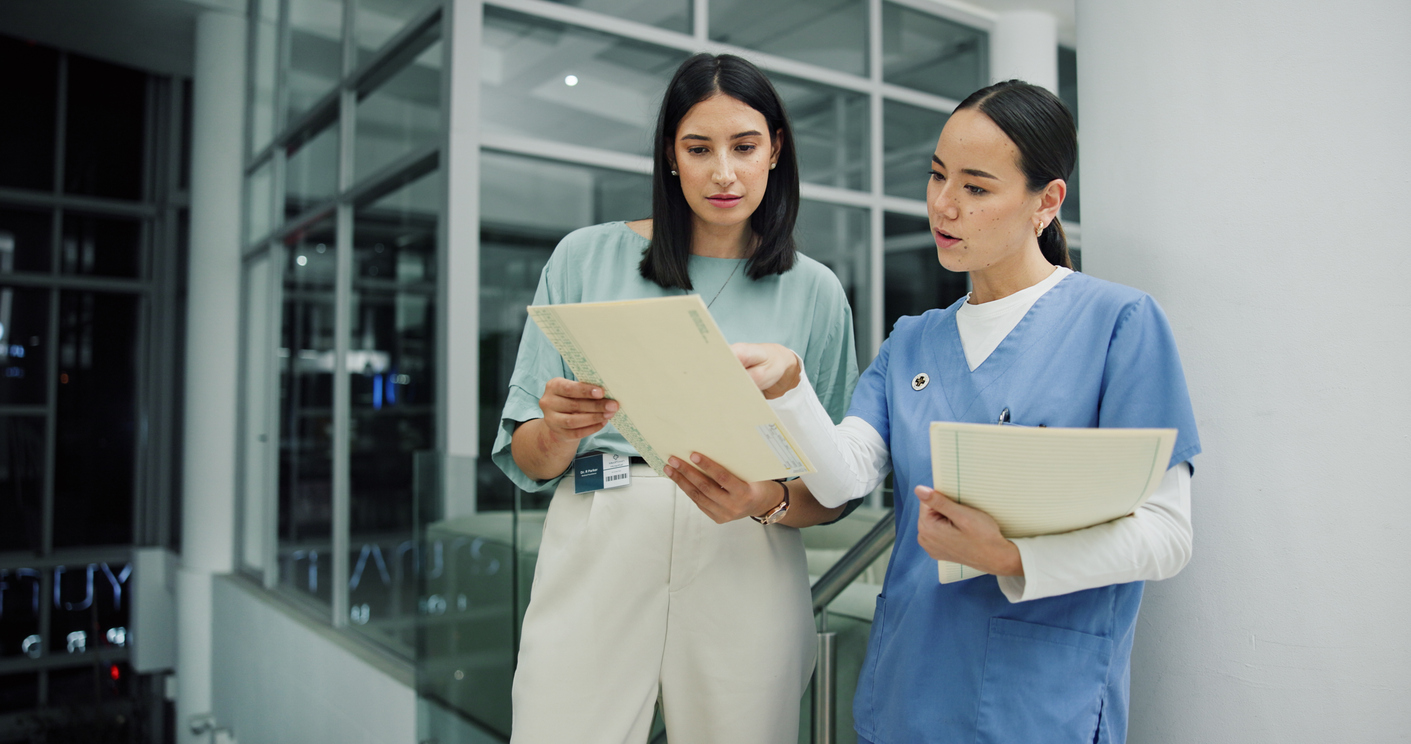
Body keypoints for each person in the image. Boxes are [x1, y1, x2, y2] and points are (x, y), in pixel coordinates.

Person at [670, 80, 1200, 744]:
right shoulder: (912, 340)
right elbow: (840, 481)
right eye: (936, 176)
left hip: (1038, 698)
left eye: (975, 188)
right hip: (908, 687)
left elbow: (1167, 537)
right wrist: (789, 388)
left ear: (1046, 201)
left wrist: (1010, 556)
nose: (943, 206)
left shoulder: (1119, 323)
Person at [492, 53, 861, 744]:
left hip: (745, 551)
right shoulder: (584, 257)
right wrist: (562, 429)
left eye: (744, 147)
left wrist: (764, 501)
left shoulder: (815, 290)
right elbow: (528, 457)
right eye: (699, 149)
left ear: (775, 150)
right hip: (599, 532)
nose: (723, 171)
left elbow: (834, 487)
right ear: (669, 156)